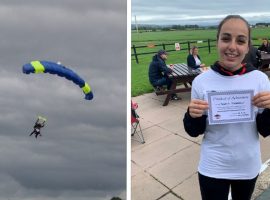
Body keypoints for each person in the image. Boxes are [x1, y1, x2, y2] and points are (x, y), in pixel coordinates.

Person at [183, 15, 270, 200]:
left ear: (247, 47)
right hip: (213, 166)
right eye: (226, 38)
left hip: (247, 166)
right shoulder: (201, 81)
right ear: (217, 42)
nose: (232, 46)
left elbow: (265, 129)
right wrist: (192, 116)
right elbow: (194, 131)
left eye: (240, 40)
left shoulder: (260, 79)